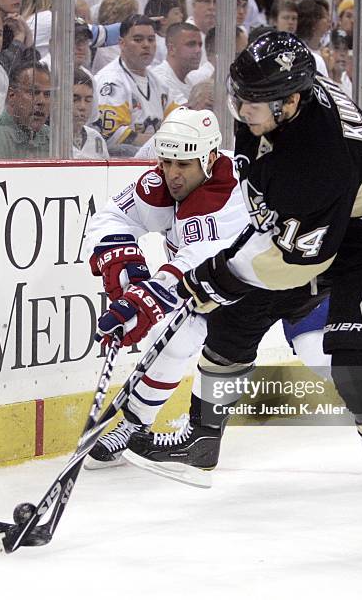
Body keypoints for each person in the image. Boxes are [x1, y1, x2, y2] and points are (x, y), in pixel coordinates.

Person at [110, 31, 362, 554]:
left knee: (357, 366)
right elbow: (265, 203)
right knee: (230, 322)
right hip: (318, 222)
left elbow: (300, 259)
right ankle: (202, 440)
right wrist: (217, 276)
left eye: (253, 103)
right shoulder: (271, 105)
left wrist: (210, 278)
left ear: (291, 102)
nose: (240, 110)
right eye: (237, 97)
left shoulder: (318, 157)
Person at [82, 107, 250, 468]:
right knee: (171, 337)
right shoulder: (161, 183)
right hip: (204, 289)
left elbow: (200, 257)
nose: (172, 174)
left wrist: (149, 294)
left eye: (183, 165)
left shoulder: (233, 191)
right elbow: (114, 216)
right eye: (167, 162)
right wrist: (126, 266)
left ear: (209, 157)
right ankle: (133, 426)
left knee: (319, 350)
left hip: (255, 289)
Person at [94, 14, 180, 156]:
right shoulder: (111, 82)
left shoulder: (158, 83)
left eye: (151, 39)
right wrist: (163, 143)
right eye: (138, 39)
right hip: (118, 166)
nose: (146, 45)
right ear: (122, 43)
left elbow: (177, 121)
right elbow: (111, 136)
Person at [150, 22, 203, 104]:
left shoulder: (188, 81)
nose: (198, 50)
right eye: (191, 44)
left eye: (200, 45)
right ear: (171, 49)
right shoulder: (161, 78)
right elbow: (187, 113)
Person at [72, 67, 109, 159]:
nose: (82, 106)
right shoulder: (49, 139)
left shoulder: (96, 138)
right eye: (75, 99)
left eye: (88, 100)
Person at [144, 0, 183, 67]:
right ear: (163, 20)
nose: (181, 15)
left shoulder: (176, 39)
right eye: (176, 13)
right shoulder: (154, 43)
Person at [296, 0, 330, 77]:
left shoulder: (328, 48)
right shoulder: (299, 51)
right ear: (314, 22)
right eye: (325, 17)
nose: (329, 20)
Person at [186, 0, 216, 65]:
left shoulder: (221, 33)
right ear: (193, 4)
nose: (212, 7)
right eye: (206, 1)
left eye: (215, 2)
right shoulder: (184, 35)